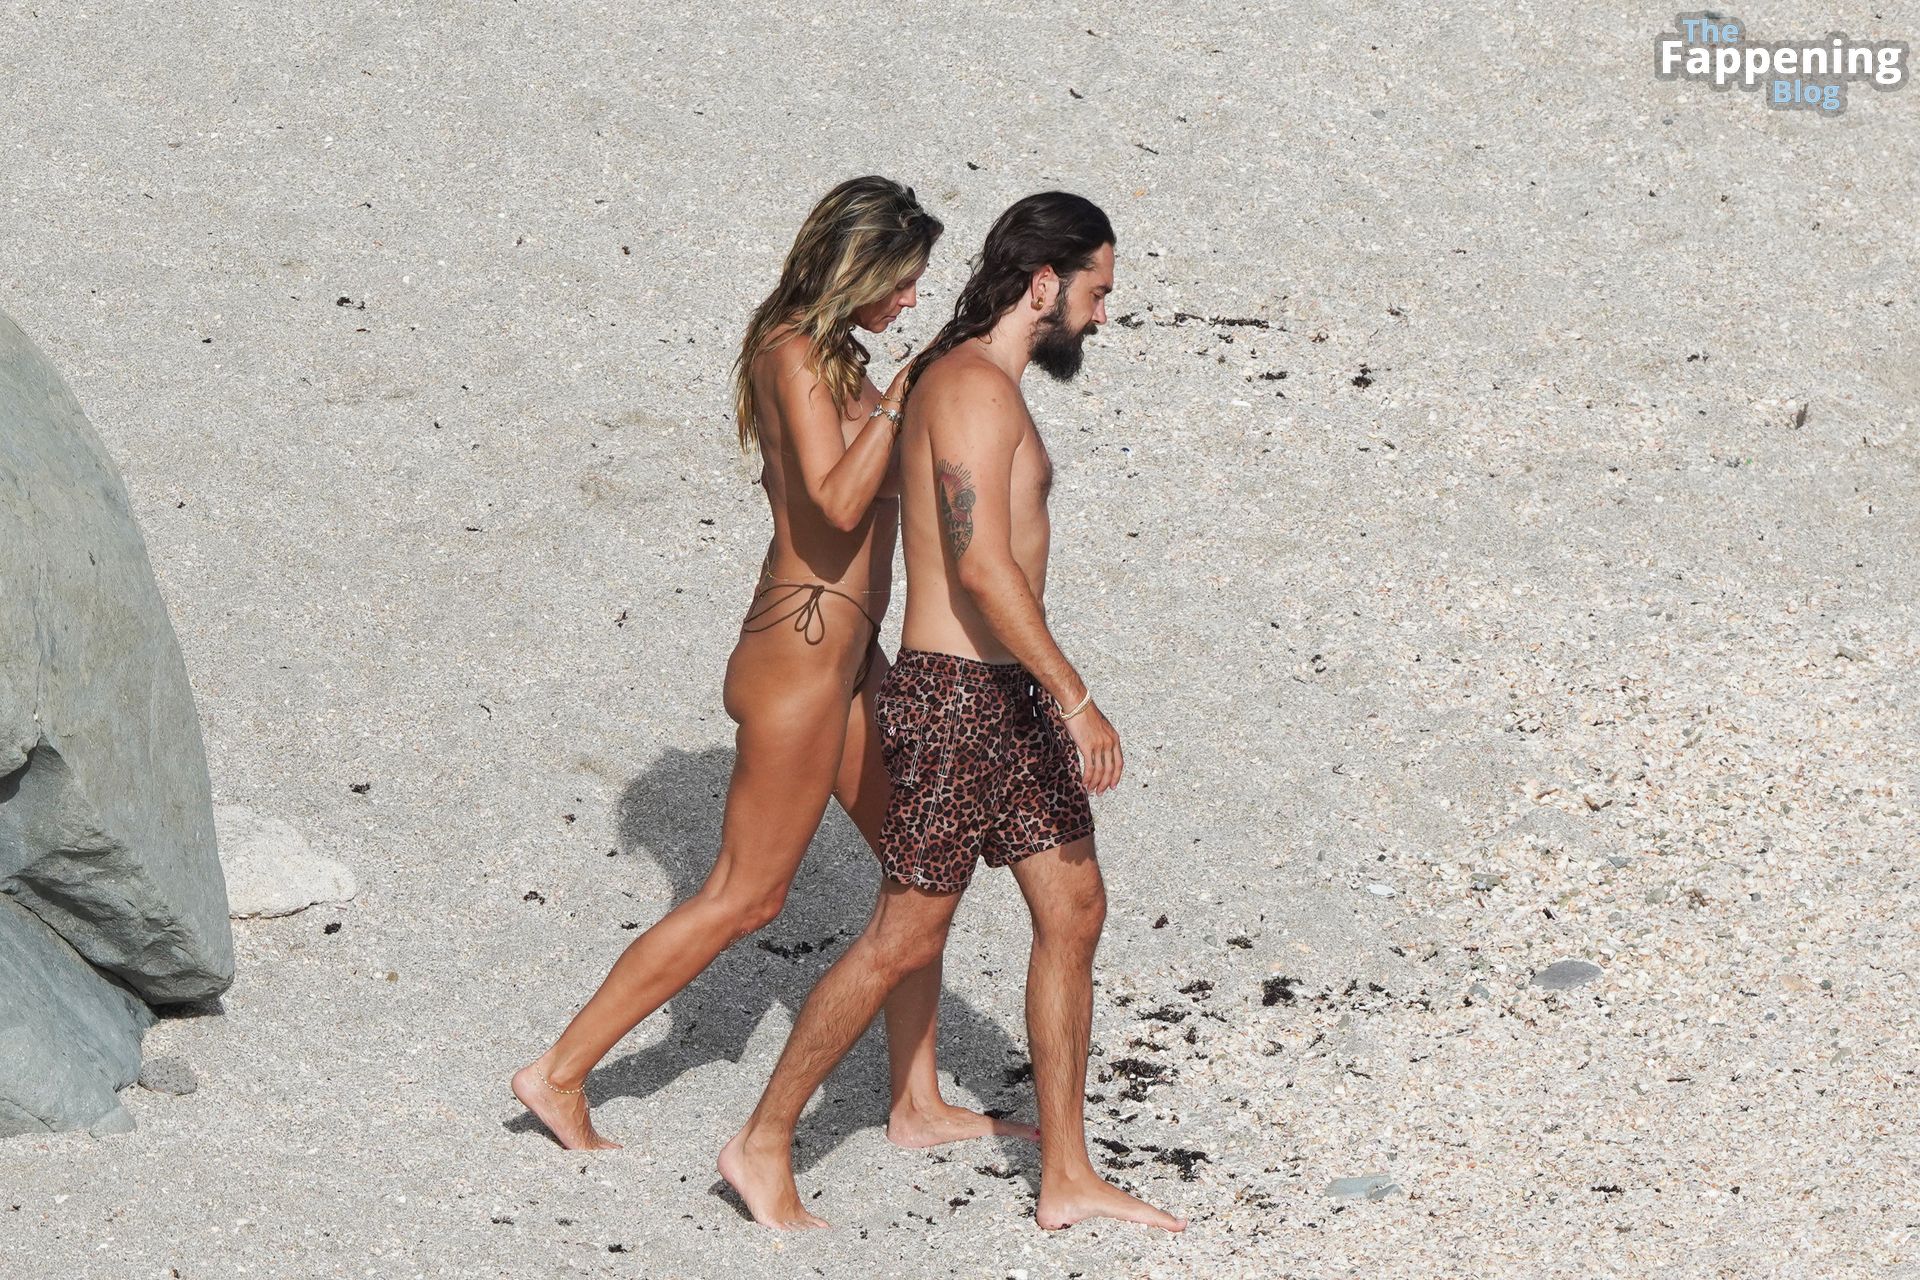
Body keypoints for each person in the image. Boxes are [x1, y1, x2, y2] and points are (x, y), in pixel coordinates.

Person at [512, 176, 1036, 1155]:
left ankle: (917, 1101)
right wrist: (903, 398)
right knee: (746, 895)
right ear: (856, 268)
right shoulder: (791, 350)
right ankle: (560, 1071)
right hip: (797, 658)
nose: (909, 300)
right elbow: (834, 503)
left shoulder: (837, 360)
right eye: (901, 281)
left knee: (920, 869)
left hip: (849, 659)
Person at [718, 192, 1187, 1232]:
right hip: (958, 699)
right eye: (1098, 289)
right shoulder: (972, 387)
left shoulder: (979, 382)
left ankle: (1066, 1173)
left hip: (1004, 695)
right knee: (905, 932)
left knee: (1074, 907)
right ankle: (761, 1140)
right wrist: (1077, 697)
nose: (1103, 313)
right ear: (1043, 283)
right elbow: (980, 564)